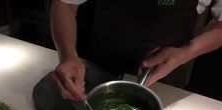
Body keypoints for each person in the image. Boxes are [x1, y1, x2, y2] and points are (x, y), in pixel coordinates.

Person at [50, 0, 222, 101]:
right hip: (98, 61)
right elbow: (64, 3)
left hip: (167, 69)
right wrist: (68, 55)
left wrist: (185, 53)